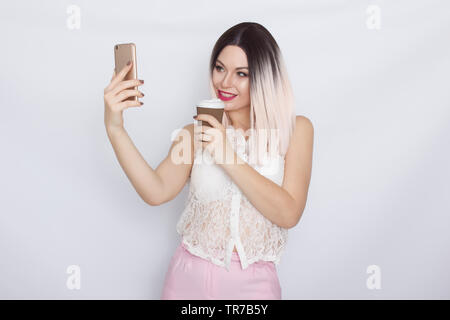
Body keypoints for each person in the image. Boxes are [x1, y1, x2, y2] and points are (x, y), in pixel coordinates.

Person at [103, 22, 314, 300]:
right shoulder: (194, 133)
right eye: (219, 68)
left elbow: (289, 213)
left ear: (264, 77)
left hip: (254, 288)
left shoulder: (296, 130)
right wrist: (115, 128)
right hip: (186, 281)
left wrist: (226, 155)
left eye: (242, 73)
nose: (225, 83)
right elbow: (155, 191)